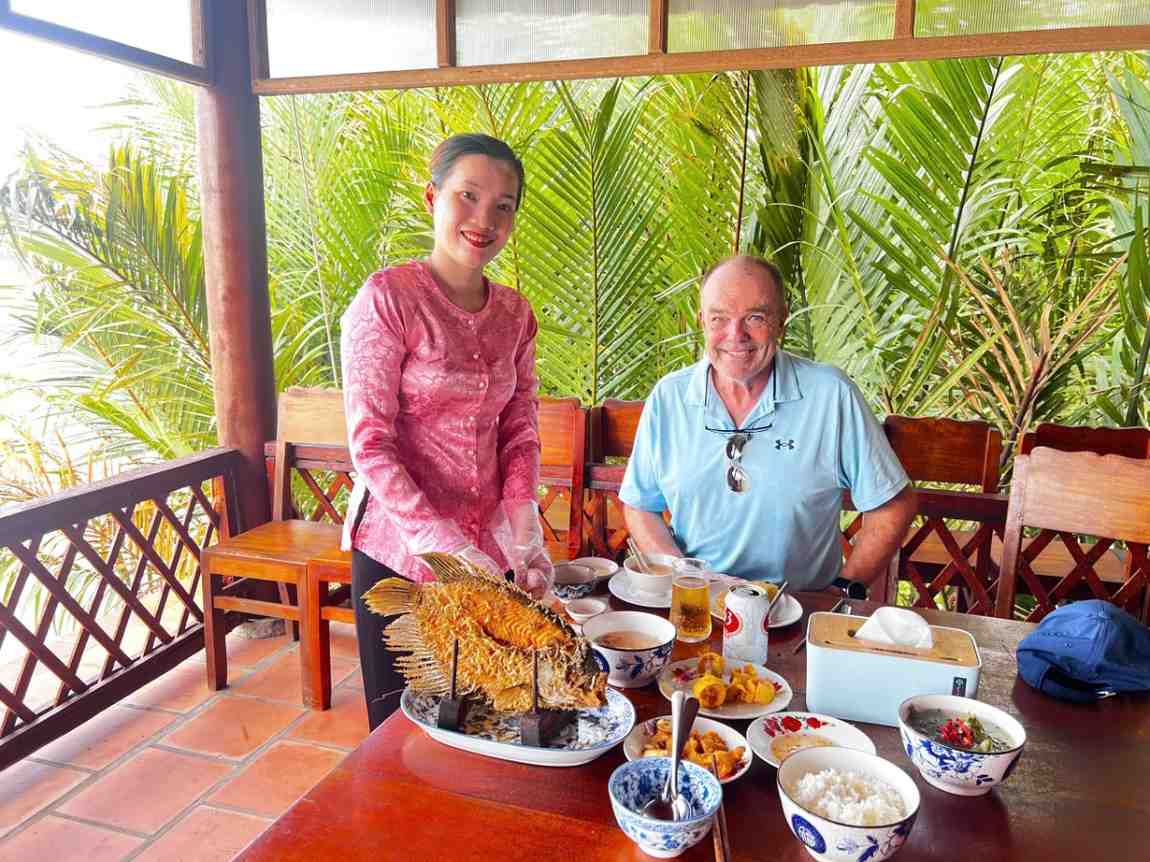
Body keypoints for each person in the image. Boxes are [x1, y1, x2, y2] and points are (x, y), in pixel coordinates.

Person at [340, 134, 552, 729]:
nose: (485, 219)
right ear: (433, 197)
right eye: (468, 196)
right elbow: (371, 446)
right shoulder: (388, 299)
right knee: (403, 731)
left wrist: (523, 524)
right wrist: (442, 545)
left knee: (486, 716)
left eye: (504, 205)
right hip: (399, 553)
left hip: (487, 553)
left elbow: (520, 426)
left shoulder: (515, 313)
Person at [619, 254, 916, 593]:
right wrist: (685, 581)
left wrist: (841, 589)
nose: (736, 335)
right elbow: (640, 504)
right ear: (701, 321)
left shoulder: (830, 394)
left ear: (781, 319)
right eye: (719, 319)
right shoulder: (669, 397)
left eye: (755, 317)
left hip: (800, 611)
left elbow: (894, 504)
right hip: (700, 611)